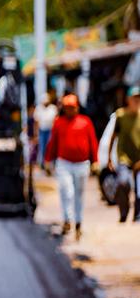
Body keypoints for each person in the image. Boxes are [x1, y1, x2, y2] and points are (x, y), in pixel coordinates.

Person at [45, 94, 98, 239]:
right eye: (67, 107)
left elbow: (92, 142)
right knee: (66, 191)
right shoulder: (59, 123)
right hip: (64, 163)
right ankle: (67, 219)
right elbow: (53, 143)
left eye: (72, 107)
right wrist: (48, 160)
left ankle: (78, 222)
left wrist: (95, 161)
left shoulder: (85, 122)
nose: (70, 110)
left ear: (77, 108)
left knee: (79, 194)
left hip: (82, 164)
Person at [108, 86, 140, 223]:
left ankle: (137, 214)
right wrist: (109, 158)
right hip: (124, 157)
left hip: (139, 158)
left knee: (139, 187)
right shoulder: (120, 115)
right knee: (123, 182)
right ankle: (124, 212)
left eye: (139, 98)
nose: (137, 101)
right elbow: (113, 137)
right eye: (134, 98)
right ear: (128, 99)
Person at [33, 93, 58, 171]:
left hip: (50, 130)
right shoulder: (38, 108)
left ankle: (51, 164)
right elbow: (36, 122)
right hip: (42, 131)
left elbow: (55, 120)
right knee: (43, 147)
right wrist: (36, 134)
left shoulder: (53, 108)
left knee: (51, 147)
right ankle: (44, 164)